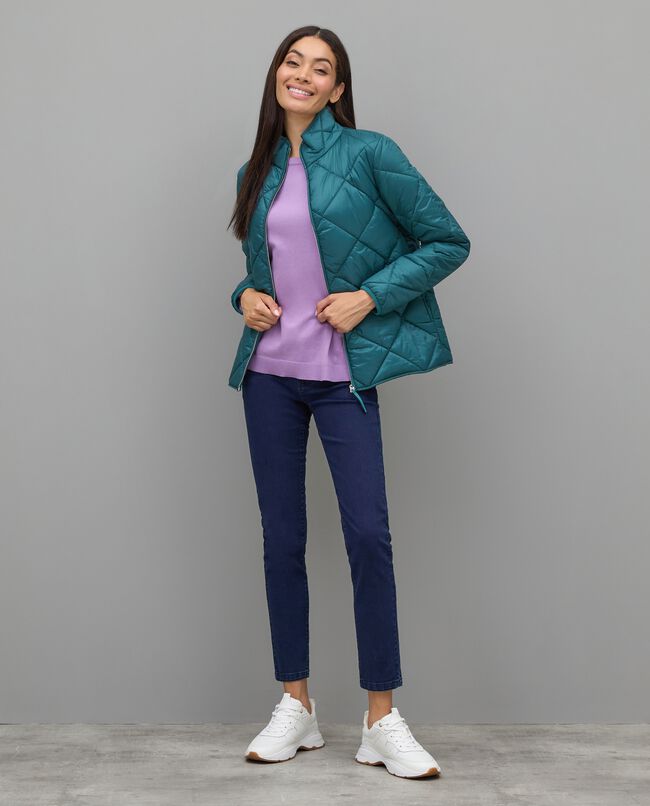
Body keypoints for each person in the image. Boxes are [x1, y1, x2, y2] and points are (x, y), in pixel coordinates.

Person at [226, 25, 470, 780]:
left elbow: (446, 241)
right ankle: (295, 705)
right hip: (269, 376)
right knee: (281, 541)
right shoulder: (256, 170)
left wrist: (369, 296)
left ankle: (381, 720)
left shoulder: (370, 153)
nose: (302, 74)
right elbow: (263, 272)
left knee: (368, 536)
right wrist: (243, 298)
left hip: (343, 380)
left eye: (320, 67)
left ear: (337, 89)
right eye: (292, 61)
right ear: (277, 74)